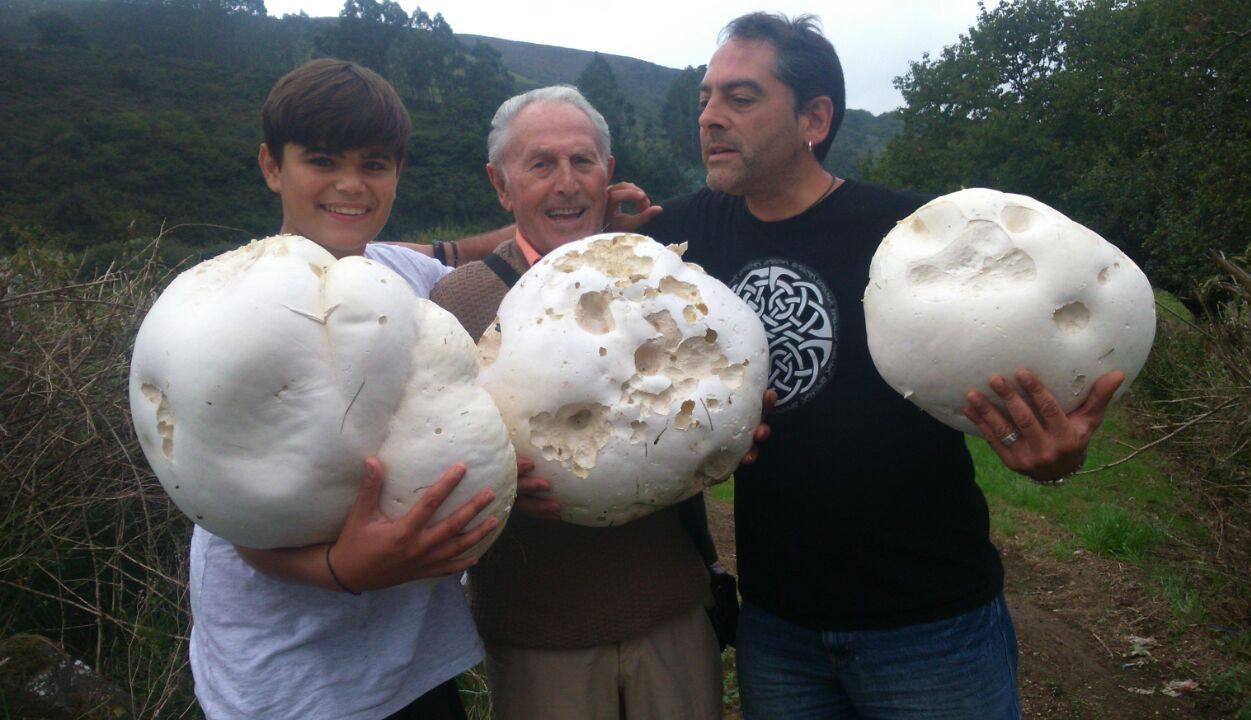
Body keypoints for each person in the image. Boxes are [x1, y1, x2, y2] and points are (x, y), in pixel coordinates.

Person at [620, 13, 1125, 720]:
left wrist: (1056, 460)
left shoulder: (912, 238)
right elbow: (557, 247)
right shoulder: (684, 233)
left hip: (928, 624)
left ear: (814, 118)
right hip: (778, 623)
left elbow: (1034, 392)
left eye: (740, 98)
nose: (709, 117)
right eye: (706, 97)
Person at [189, 58, 505, 720]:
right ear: (272, 166)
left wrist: (564, 217)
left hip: (412, 667)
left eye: (375, 165)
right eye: (323, 161)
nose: (351, 186)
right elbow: (229, 498)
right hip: (287, 679)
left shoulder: (408, 277)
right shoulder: (229, 305)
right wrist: (341, 569)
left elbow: (455, 254)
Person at [428, 85, 723, 720]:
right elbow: (433, 459)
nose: (567, 183)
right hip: (539, 637)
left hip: (671, 615)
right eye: (541, 164)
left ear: (607, 174)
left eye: (582, 161)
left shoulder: (664, 281)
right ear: (501, 185)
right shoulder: (458, 305)